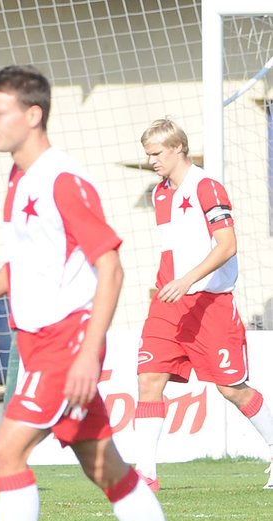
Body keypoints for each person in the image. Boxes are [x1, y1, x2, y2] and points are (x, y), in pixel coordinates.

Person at [0, 65, 196, 521]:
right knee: (102, 464)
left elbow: (110, 267)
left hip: (68, 339)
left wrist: (90, 351)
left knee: (6, 451)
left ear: (32, 114)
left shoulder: (63, 178)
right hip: (39, 342)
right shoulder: (19, 178)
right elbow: (29, 262)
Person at [131, 118, 273, 490]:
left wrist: (186, 280)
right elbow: (172, 250)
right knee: (149, 380)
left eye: (156, 154)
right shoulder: (160, 193)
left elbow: (227, 246)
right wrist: (168, 284)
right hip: (168, 304)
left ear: (178, 147)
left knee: (232, 389)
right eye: (148, 155)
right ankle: (145, 474)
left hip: (209, 304)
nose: (152, 162)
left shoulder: (207, 187)